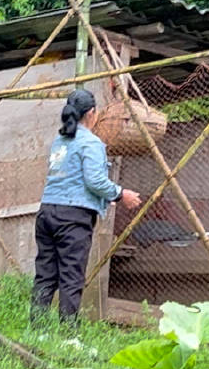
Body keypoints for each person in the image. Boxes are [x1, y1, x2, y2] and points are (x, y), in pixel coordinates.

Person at [30, 89, 142, 324]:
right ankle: (68, 333)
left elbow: (70, 179)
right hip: (72, 218)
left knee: (46, 274)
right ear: (92, 113)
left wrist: (100, 198)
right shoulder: (91, 143)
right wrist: (122, 193)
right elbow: (95, 181)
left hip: (48, 211)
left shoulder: (60, 141)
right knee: (71, 274)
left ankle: (38, 328)